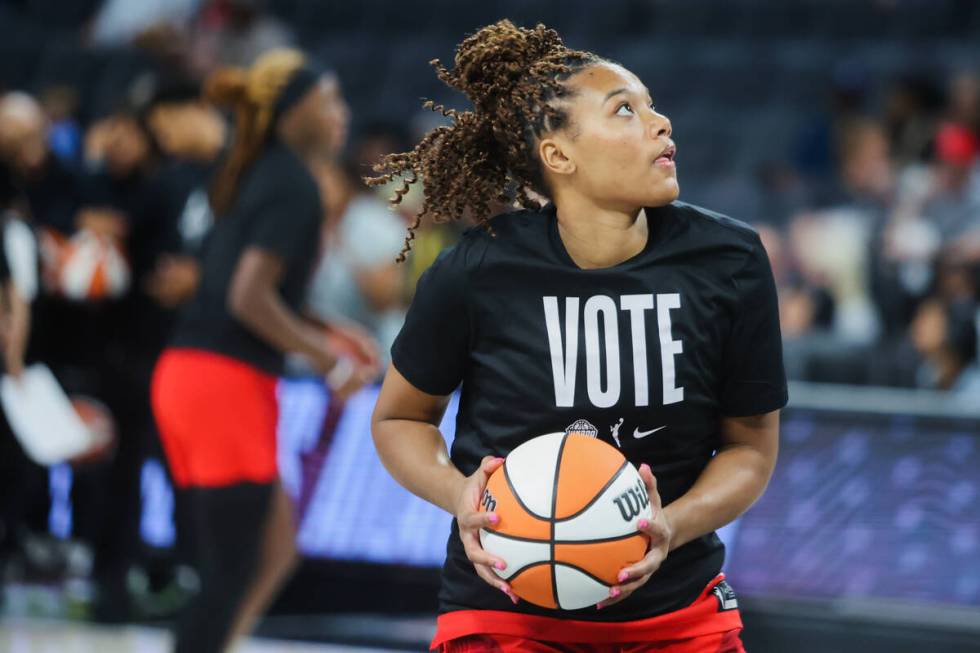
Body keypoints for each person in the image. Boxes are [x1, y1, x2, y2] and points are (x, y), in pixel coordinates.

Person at [371, 21, 785, 653]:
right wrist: (461, 494)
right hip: (505, 610)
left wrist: (669, 523)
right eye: (625, 110)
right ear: (559, 156)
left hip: (676, 612)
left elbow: (750, 449)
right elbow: (400, 418)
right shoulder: (475, 271)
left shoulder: (730, 259)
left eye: (653, 107)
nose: (661, 122)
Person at [150, 49, 376, 653]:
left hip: (190, 374)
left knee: (275, 547)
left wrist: (328, 330)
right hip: (222, 380)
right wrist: (329, 362)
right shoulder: (294, 184)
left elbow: (251, 288)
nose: (341, 114)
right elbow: (247, 298)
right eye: (330, 100)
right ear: (294, 110)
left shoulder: (257, 170)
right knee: (228, 571)